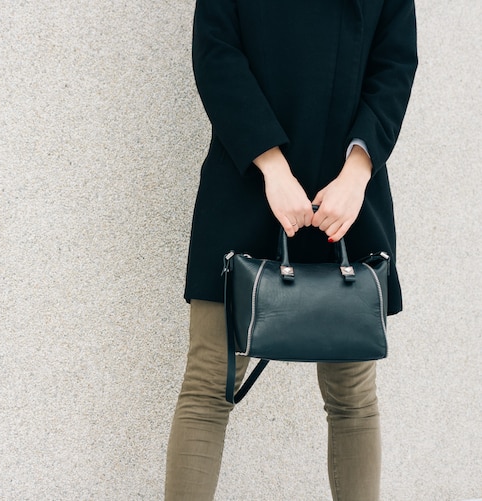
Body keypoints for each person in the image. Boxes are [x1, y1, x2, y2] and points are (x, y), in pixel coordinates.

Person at [165, 1, 418, 500]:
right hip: (246, 179)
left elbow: (395, 64)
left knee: (352, 396)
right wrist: (273, 169)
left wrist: (358, 171)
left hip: (345, 197)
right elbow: (217, 52)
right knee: (209, 384)